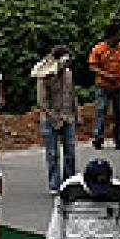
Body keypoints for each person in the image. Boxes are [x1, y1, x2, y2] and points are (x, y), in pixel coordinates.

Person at [33, 44, 79, 193]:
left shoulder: (68, 74)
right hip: (49, 118)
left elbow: (72, 95)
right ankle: (54, 183)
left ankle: (69, 181)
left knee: (70, 151)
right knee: (52, 153)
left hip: (68, 117)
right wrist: (54, 118)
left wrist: (76, 114)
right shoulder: (44, 75)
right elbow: (42, 101)